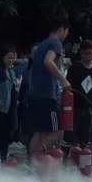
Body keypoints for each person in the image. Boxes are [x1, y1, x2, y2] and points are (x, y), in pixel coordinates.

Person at [24, 16, 71, 159]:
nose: (67, 35)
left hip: (35, 94)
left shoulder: (42, 45)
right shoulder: (56, 43)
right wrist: (63, 80)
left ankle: (32, 162)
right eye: (67, 31)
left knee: (40, 132)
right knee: (58, 130)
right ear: (61, 29)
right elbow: (48, 62)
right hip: (46, 95)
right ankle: (38, 155)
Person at [66, 40, 92, 150]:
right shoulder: (74, 68)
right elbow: (68, 88)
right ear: (81, 53)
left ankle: (83, 156)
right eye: (86, 53)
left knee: (85, 138)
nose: (89, 56)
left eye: (91, 53)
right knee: (72, 137)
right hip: (74, 108)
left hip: (88, 109)